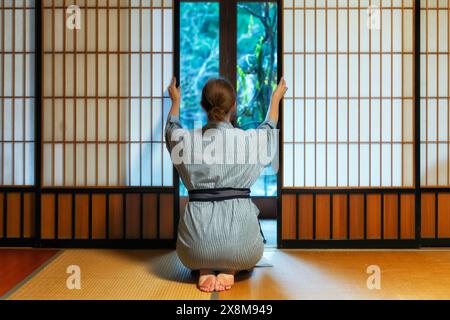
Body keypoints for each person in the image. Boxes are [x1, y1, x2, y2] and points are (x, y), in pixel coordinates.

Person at [165, 76, 287, 292]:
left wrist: (175, 101)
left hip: (193, 251)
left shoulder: (186, 141)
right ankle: (232, 268)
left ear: (203, 106)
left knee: (201, 251)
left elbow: (171, 129)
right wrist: (275, 98)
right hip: (242, 248)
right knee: (242, 250)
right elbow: (269, 127)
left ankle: (204, 268)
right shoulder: (248, 141)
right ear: (234, 106)